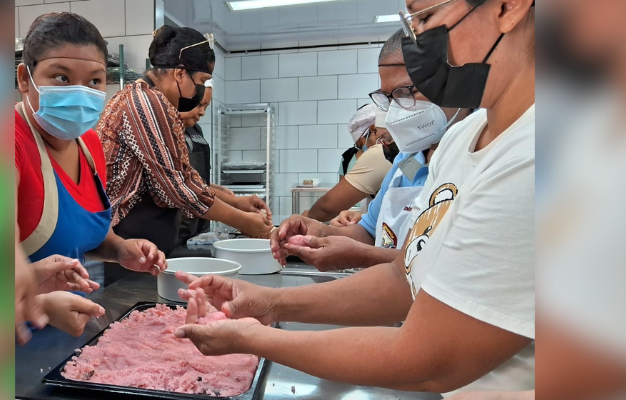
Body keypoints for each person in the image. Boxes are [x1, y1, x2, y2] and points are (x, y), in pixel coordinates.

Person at [174, 0, 535, 397]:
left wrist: (251, 340)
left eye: (427, 18)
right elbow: (404, 279)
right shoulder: (463, 139)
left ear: (508, 7)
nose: (421, 46)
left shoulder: (538, 154)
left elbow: (430, 359)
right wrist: (270, 303)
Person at [14, 12, 167, 342]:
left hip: (68, 335)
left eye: (95, 80)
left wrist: (121, 249)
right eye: (62, 77)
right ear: (25, 79)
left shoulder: (89, 144)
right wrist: (37, 305)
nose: (80, 93)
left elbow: (88, 236)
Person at [272, 29, 467, 271]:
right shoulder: (407, 160)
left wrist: (361, 256)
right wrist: (320, 231)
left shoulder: (478, 155)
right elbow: (368, 229)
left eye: (406, 92)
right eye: (388, 98)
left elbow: (445, 264)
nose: (396, 111)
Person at [97, 25, 272, 263]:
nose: (198, 92)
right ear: (180, 74)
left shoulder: (147, 99)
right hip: (127, 244)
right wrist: (243, 220)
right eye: (201, 81)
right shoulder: (147, 103)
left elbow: (182, 174)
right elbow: (177, 189)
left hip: (142, 246)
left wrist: (235, 202)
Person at [177, 80, 272, 246]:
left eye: (205, 106)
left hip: (196, 230)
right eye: (199, 104)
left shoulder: (194, 129)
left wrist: (231, 198)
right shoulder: (165, 133)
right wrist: (241, 218)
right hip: (174, 231)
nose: (202, 112)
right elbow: (184, 188)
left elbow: (196, 181)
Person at [303, 105, 395, 222]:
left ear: (373, 129)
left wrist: (304, 219)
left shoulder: (382, 152)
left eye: (362, 144)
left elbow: (327, 207)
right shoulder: (406, 151)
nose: (363, 149)